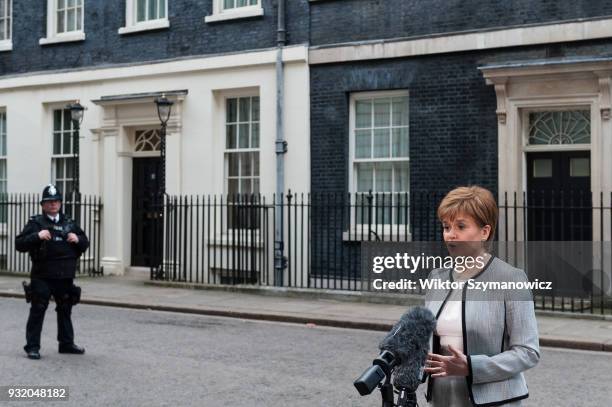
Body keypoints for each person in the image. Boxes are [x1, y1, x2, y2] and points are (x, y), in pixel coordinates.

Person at [422, 186, 540, 406]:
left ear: (484, 231)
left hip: (493, 401)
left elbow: (528, 352)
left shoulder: (511, 279)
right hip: (442, 398)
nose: (450, 234)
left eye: (461, 226)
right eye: (446, 227)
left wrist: (472, 367)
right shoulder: (436, 277)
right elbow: (427, 341)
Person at [16, 184, 89, 360]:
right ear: (43, 204)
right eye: (49, 202)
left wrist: (77, 239)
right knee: (38, 309)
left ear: (61, 203)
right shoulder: (36, 223)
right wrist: (37, 236)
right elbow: (19, 244)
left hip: (64, 275)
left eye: (56, 201)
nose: (53, 205)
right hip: (43, 275)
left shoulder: (69, 223)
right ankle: (32, 347)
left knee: (65, 309)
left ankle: (66, 344)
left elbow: (85, 243)